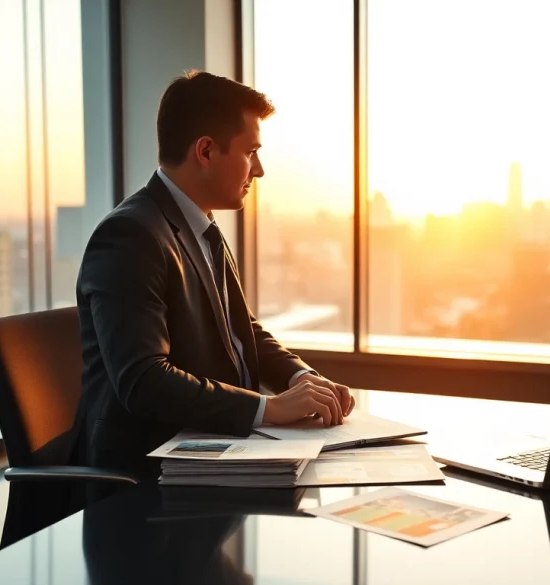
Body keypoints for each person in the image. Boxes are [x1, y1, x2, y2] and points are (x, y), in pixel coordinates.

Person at [70, 70, 353, 481]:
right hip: (147, 475)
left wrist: (303, 378)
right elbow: (144, 381)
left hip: (216, 450)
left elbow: (242, 331)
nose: (259, 170)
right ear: (205, 151)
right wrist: (270, 409)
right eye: (251, 152)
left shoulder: (200, 228)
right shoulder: (129, 235)